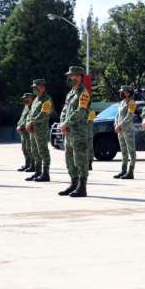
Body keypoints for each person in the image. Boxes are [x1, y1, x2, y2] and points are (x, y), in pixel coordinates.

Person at [57, 66, 91, 197]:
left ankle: (82, 187)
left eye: (71, 76)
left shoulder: (84, 93)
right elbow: (65, 110)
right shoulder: (71, 93)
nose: (69, 78)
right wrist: (62, 124)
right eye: (69, 76)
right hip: (69, 132)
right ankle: (73, 184)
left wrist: (66, 123)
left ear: (79, 77)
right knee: (69, 159)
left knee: (80, 160)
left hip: (79, 132)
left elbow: (81, 112)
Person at [26, 79, 53, 182]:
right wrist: (28, 123)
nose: (34, 89)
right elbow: (30, 114)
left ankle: (45, 174)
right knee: (34, 151)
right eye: (33, 87)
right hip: (33, 130)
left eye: (36, 87)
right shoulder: (36, 99)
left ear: (42, 87)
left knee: (43, 151)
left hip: (41, 130)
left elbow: (43, 115)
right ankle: (37, 172)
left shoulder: (47, 100)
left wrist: (31, 122)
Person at [113, 85, 137, 180]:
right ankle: (123, 170)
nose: (122, 93)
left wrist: (120, 125)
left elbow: (129, 116)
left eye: (124, 92)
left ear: (128, 92)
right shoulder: (122, 102)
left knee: (131, 151)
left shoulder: (132, 102)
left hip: (128, 130)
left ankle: (130, 171)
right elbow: (117, 115)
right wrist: (116, 124)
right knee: (123, 151)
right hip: (120, 130)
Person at [16, 93, 35, 172]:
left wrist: (22, 126)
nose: (25, 100)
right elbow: (22, 118)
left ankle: (32, 165)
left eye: (27, 98)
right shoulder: (26, 107)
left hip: (28, 130)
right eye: (24, 98)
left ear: (31, 98)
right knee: (24, 148)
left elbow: (30, 119)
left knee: (30, 148)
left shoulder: (33, 107)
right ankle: (27, 164)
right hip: (23, 131)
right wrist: (18, 125)